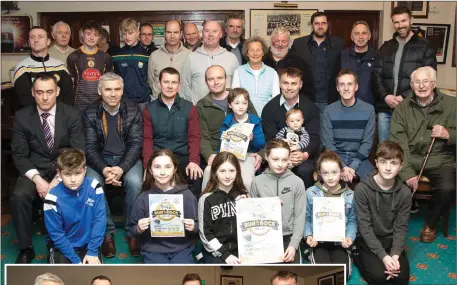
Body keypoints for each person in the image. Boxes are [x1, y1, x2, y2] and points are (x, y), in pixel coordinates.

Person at [10, 73, 84, 263]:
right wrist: (38, 180)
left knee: (81, 187)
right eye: (40, 92)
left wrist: (59, 178)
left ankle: (76, 242)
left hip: (66, 168)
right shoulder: (22, 116)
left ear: (57, 92)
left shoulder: (72, 114)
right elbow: (19, 154)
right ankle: (26, 248)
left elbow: (77, 150)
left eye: (49, 92)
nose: (45, 97)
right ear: (33, 93)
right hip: (35, 170)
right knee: (19, 196)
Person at [389, 66, 456, 242]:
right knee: (383, 177)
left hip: (440, 159)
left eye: (425, 81)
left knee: (447, 188)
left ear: (434, 83)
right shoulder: (402, 108)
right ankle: (389, 223)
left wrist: (447, 134)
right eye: (417, 82)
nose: (421, 86)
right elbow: (397, 142)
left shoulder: (452, 104)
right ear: (411, 86)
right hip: (409, 158)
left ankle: (431, 223)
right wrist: (407, 172)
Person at [83, 73, 143, 258]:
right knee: (93, 183)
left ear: (122, 90)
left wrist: (120, 169)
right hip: (100, 160)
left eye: (117, 89)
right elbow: (90, 147)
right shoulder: (90, 112)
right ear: (100, 91)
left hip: (127, 159)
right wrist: (104, 169)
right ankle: (107, 233)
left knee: (135, 183)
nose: (113, 94)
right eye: (108, 89)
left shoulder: (133, 110)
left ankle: (133, 232)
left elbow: (135, 144)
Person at [373, 6, 437, 143]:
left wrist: (404, 97)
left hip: (412, 107)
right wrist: (386, 96)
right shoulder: (385, 47)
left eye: (403, 21)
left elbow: (429, 78)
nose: (400, 25)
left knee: (406, 148)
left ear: (411, 20)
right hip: (386, 108)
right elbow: (376, 75)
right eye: (396, 22)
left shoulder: (425, 46)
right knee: (384, 147)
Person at [354, 141, 411, 285]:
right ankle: (357, 256)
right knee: (380, 278)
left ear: (401, 166)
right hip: (368, 241)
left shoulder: (405, 193)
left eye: (394, 163)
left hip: (391, 241)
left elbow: (401, 227)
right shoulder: (362, 189)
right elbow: (364, 227)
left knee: (401, 279)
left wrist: (395, 255)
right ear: (376, 163)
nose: (388, 167)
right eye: (383, 162)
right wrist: (384, 257)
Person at [143, 67, 203, 197]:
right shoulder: (149, 109)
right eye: (166, 82)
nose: (170, 86)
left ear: (179, 85)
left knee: (195, 177)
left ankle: (192, 216)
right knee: (149, 184)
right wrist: (148, 166)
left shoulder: (189, 108)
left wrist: (193, 161)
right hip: (158, 157)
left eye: (174, 82)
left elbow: (194, 137)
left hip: (182, 156)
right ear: (159, 84)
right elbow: (147, 139)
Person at [131, 149, 198, 263]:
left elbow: (198, 227)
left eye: (167, 167)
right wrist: (138, 228)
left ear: (175, 169)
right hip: (153, 250)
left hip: (182, 249)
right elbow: (132, 230)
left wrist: (193, 227)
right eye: (157, 167)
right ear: (150, 170)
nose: (162, 172)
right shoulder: (143, 198)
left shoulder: (187, 196)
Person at [44, 148, 105, 264]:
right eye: (67, 174)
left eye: (78, 173)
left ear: (85, 170)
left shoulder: (94, 187)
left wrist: (92, 251)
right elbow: (57, 234)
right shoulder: (51, 198)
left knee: (94, 278)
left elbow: (100, 220)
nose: (73, 180)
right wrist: (75, 260)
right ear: (59, 173)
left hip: (88, 245)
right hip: (63, 246)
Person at [250, 139, 307, 263]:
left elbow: (300, 216)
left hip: (289, 238)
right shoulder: (257, 182)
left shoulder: (297, 182)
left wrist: (294, 245)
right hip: (264, 238)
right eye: (275, 159)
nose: (280, 164)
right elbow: (252, 215)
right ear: (266, 157)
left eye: (284, 160)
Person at [262, 67, 320, 188]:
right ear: (279, 84)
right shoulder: (269, 108)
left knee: (305, 170)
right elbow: (270, 138)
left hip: (302, 154)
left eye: (293, 83)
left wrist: (304, 155)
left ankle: (303, 204)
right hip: (277, 155)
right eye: (285, 83)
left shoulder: (310, 107)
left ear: (300, 85)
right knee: (270, 171)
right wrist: (284, 157)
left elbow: (314, 137)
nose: (289, 87)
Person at [197, 65, 258, 179]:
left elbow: (258, 127)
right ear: (206, 82)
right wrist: (209, 155)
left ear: (226, 79)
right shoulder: (201, 106)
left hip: (244, 153)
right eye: (211, 79)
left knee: (247, 182)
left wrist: (261, 154)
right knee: (208, 177)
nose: (216, 82)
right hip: (218, 154)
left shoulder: (240, 97)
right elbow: (203, 137)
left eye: (219, 78)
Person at [304, 150, 356, 279]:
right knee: (323, 274)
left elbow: (352, 220)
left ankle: (349, 252)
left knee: (342, 275)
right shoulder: (311, 193)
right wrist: (308, 235)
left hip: (340, 242)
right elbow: (307, 218)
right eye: (325, 173)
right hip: (319, 241)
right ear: (319, 173)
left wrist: (349, 237)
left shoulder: (350, 195)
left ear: (341, 172)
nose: (330, 177)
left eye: (334, 172)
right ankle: (308, 251)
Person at [290, 11, 344, 125]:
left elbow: (342, 70)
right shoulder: (299, 44)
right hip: (305, 98)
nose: (320, 26)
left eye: (323, 23)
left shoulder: (338, 44)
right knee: (305, 132)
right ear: (311, 25)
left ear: (327, 25)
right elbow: (293, 72)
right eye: (317, 23)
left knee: (326, 134)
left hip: (329, 99)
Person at [322, 69, 375, 182]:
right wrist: (342, 166)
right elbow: (328, 143)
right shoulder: (329, 110)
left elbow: (367, 143)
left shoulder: (369, 110)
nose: (346, 88)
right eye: (342, 84)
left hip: (359, 157)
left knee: (373, 181)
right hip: (335, 156)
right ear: (337, 88)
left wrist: (352, 166)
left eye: (350, 84)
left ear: (356, 87)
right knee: (323, 178)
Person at [198, 152, 248, 264]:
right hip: (216, 252)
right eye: (222, 171)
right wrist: (225, 254)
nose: (227, 176)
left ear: (237, 172)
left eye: (232, 171)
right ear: (215, 172)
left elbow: (252, 226)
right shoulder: (206, 199)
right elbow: (206, 234)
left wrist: (269, 205)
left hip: (242, 251)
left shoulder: (244, 195)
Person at [217, 88, 265, 190]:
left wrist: (252, 139)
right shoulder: (227, 122)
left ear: (248, 104)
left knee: (246, 182)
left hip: (248, 155)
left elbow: (261, 144)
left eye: (244, 103)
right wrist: (224, 139)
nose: (241, 106)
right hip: (229, 156)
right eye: (237, 103)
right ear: (230, 105)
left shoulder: (254, 122)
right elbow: (222, 145)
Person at [180, 20, 239, 105]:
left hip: (226, 113)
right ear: (201, 34)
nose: (210, 34)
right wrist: (193, 108)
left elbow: (237, 87)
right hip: (199, 113)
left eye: (214, 31)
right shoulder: (191, 58)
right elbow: (184, 87)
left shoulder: (231, 58)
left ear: (221, 34)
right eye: (207, 31)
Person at [13, 26, 74, 107]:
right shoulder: (22, 68)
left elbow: (68, 96)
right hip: (33, 117)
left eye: (40, 37)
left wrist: (58, 115)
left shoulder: (60, 66)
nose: (36, 40)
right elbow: (24, 99)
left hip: (60, 116)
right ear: (29, 42)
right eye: (32, 37)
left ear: (48, 41)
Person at [67, 20, 113, 110]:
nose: (92, 38)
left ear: (99, 37)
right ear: (82, 35)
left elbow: (109, 81)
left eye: (95, 35)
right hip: (79, 103)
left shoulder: (105, 57)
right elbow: (70, 82)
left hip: (100, 103)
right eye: (88, 34)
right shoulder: (73, 57)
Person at [231, 36, 280, 115]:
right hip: (245, 118)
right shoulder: (239, 71)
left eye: (258, 50)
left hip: (267, 118)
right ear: (247, 53)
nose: (255, 53)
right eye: (251, 50)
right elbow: (234, 98)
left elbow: (276, 99)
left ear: (263, 52)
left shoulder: (272, 73)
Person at [263, 27, 314, 101]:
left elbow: (309, 90)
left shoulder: (299, 62)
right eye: (277, 41)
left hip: (293, 106)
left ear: (289, 42)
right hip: (266, 104)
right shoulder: (262, 60)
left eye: (284, 41)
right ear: (271, 41)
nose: (280, 44)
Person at [112, 18, 151, 110]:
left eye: (130, 33)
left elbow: (151, 77)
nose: (127, 37)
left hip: (143, 100)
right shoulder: (117, 55)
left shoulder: (147, 54)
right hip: (124, 100)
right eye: (124, 34)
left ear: (137, 33)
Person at [148, 20, 191, 99]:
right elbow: (151, 81)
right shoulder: (154, 56)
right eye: (169, 32)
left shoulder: (189, 55)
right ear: (164, 34)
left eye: (175, 32)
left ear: (181, 34)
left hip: (182, 103)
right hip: (158, 103)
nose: (172, 36)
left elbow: (191, 82)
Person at [341, 21, 377, 106]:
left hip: (369, 106)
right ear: (351, 37)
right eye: (357, 33)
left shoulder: (377, 56)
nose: (360, 37)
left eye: (364, 33)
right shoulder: (342, 55)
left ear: (369, 36)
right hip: (346, 105)